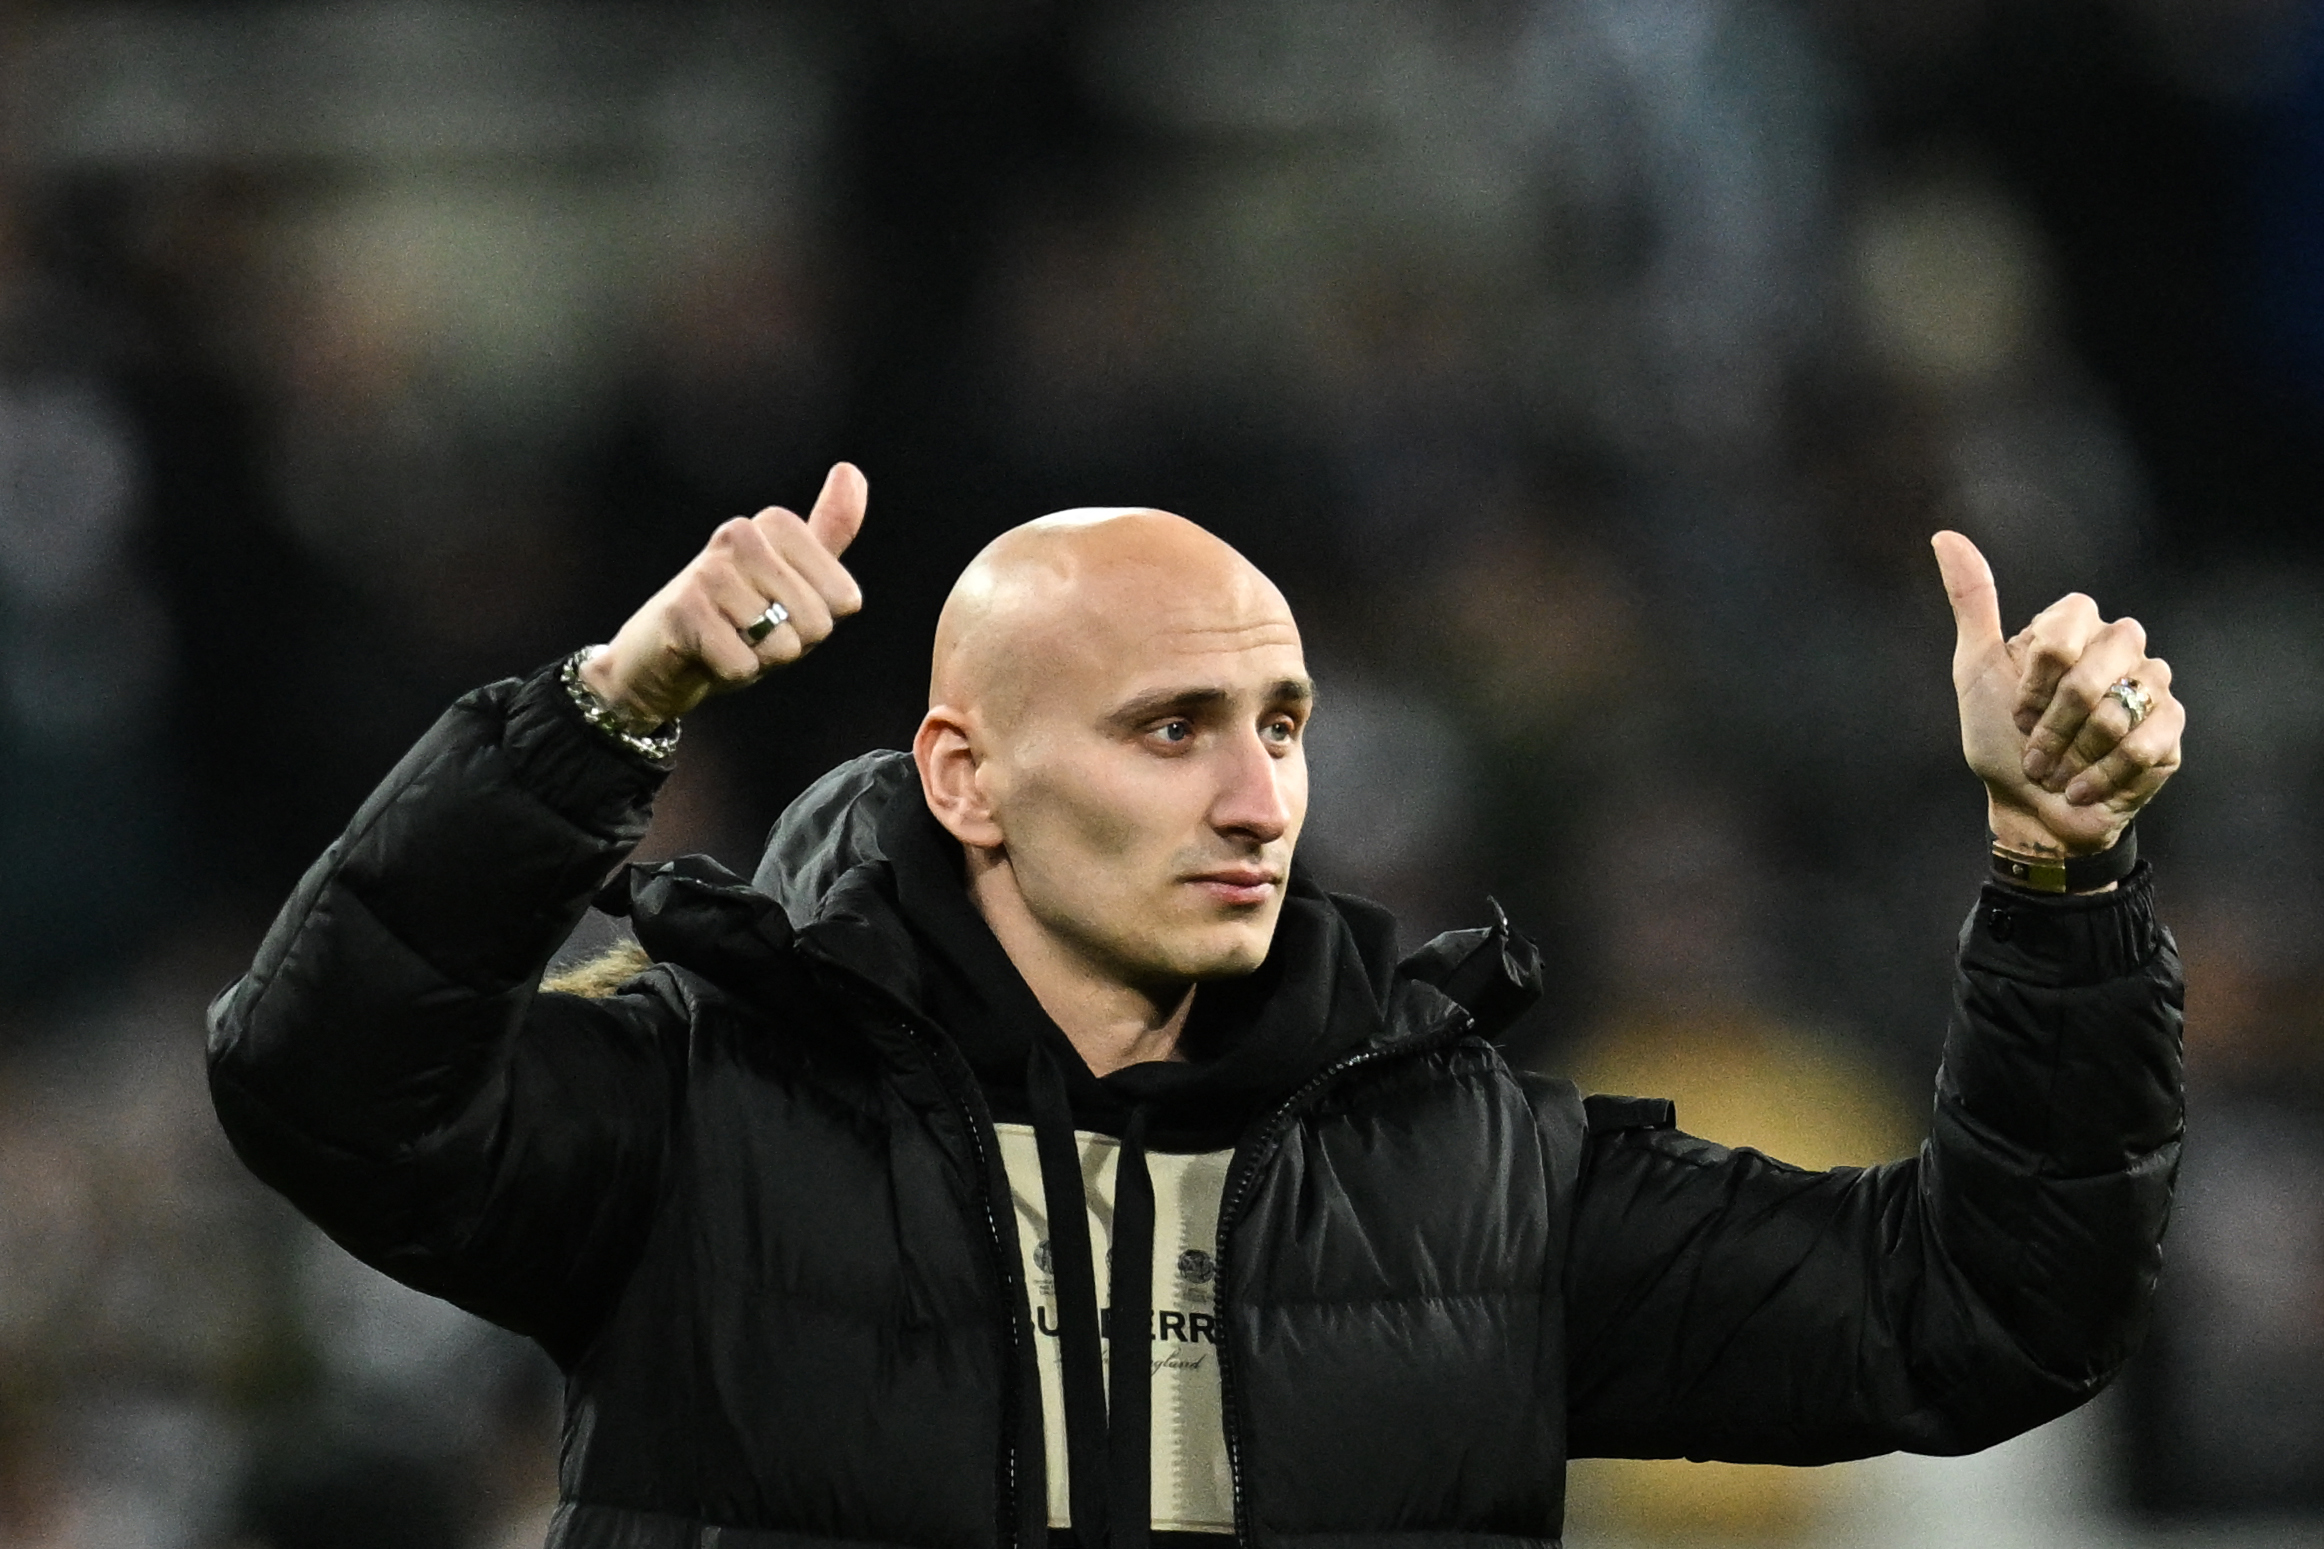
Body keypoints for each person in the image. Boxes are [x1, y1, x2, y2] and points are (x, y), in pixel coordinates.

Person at [208, 463, 2187, 1549]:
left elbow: (1985, 1310)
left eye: (1282, 725)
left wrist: (2056, 876)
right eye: (1173, 730)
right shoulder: (707, 1107)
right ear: (965, 777)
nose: (1258, 797)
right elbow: (319, 1084)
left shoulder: (1469, 1169)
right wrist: (595, 718)